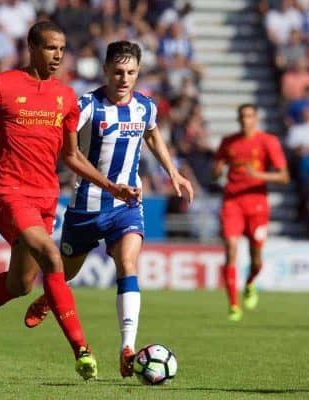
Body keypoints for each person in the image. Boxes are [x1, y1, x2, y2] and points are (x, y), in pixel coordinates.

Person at [0, 21, 140, 381]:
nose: (58, 56)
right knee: (52, 255)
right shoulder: (0, 85)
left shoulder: (65, 97)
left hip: (44, 196)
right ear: (32, 47)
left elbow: (72, 156)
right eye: (51, 48)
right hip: (6, 191)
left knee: (20, 285)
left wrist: (112, 187)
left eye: (62, 50)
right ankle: (82, 350)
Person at [22, 41, 194, 378]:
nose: (124, 78)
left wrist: (172, 172)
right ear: (105, 71)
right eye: (117, 71)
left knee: (127, 263)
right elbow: (65, 149)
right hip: (85, 207)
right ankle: (49, 299)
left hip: (125, 206)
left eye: (130, 72)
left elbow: (153, 135)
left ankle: (127, 346)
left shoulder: (145, 107)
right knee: (66, 273)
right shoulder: (88, 105)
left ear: (138, 72)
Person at [212, 104, 289, 322]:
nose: (245, 120)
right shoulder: (228, 142)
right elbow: (215, 171)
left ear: (256, 119)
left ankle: (250, 283)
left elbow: (284, 177)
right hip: (232, 203)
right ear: (238, 119)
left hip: (257, 206)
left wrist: (259, 175)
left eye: (249, 116)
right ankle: (234, 305)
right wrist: (216, 171)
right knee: (231, 248)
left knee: (256, 260)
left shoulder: (268, 141)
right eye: (242, 116)